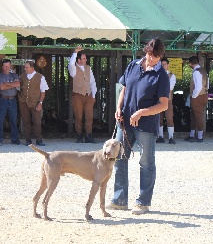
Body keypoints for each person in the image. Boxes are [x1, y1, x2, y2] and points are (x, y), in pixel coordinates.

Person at [107, 38, 169, 215]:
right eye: (150, 55)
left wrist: (142, 112)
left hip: (147, 125)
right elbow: (123, 90)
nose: (152, 60)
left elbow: (163, 105)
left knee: (147, 163)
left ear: (160, 56)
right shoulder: (133, 65)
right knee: (118, 157)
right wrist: (118, 108)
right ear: (146, 51)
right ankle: (119, 200)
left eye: (156, 57)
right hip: (124, 122)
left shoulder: (162, 76)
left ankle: (143, 202)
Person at [67, 46, 97, 143]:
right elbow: (71, 63)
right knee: (78, 116)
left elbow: (92, 82)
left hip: (88, 95)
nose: (85, 60)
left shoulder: (88, 68)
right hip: (78, 95)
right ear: (79, 60)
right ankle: (79, 135)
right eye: (84, 58)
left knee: (89, 116)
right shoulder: (73, 69)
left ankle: (89, 135)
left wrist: (93, 95)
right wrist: (75, 52)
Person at [18, 60, 49, 146]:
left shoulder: (40, 77)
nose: (25, 69)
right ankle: (28, 140)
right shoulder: (22, 76)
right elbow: (18, 87)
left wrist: (40, 103)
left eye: (26, 67)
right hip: (23, 102)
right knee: (26, 121)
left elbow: (43, 91)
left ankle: (39, 139)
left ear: (32, 68)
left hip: (35, 102)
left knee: (37, 121)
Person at [0, 59, 21, 146]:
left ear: (10, 66)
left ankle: (15, 139)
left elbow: (18, 84)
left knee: (13, 120)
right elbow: (1, 87)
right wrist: (12, 84)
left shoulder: (15, 75)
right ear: (2, 67)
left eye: (8, 66)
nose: (6, 68)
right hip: (3, 99)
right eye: (5, 66)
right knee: (0, 120)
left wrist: (7, 84)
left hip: (13, 99)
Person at [185, 56, 209, 142]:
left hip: (198, 96)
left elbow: (198, 87)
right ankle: (193, 135)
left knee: (197, 116)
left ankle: (199, 136)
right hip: (204, 95)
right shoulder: (204, 71)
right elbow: (207, 85)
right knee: (195, 116)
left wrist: (193, 96)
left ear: (191, 63)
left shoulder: (196, 72)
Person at [156, 57, 176, 144]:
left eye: (164, 64)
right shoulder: (157, 75)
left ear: (168, 65)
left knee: (169, 118)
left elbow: (170, 87)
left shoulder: (172, 75)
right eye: (161, 64)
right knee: (159, 118)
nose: (163, 66)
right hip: (158, 100)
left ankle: (171, 137)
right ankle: (160, 136)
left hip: (168, 100)